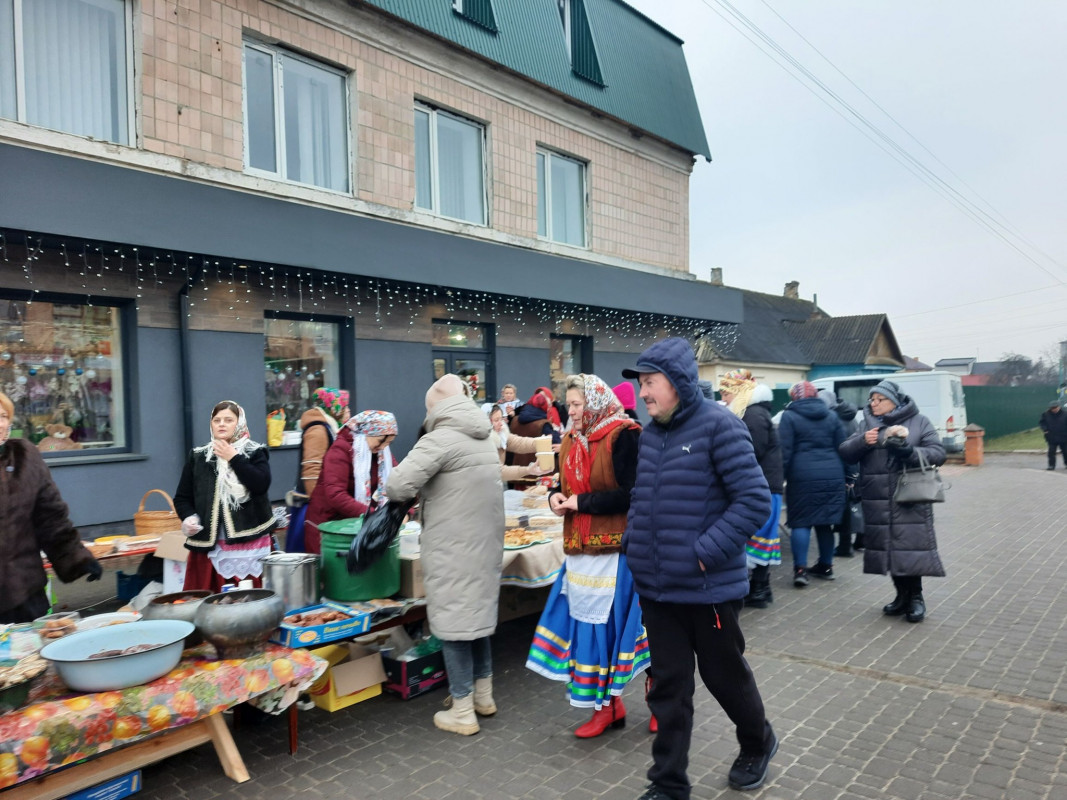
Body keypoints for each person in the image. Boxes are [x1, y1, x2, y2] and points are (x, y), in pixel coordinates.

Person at [620, 338, 778, 798]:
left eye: (650, 383)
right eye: (642, 384)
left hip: (708, 587)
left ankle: (758, 741)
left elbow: (753, 501)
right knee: (667, 687)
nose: (643, 393)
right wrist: (633, 542)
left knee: (724, 677)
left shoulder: (719, 426)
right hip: (658, 588)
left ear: (679, 383)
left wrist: (703, 552)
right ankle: (668, 784)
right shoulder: (650, 434)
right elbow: (641, 499)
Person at [526, 374, 650, 737]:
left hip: (618, 551)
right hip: (580, 550)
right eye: (571, 404)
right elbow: (561, 486)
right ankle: (607, 707)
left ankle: (659, 697)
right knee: (592, 635)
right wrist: (555, 500)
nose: (572, 410)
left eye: (578, 404)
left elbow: (634, 493)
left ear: (594, 402)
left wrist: (583, 502)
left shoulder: (624, 435)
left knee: (630, 629)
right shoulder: (569, 440)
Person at [386, 374, 504, 736]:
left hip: (453, 546)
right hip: (485, 545)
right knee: (477, 622)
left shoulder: (440, 439)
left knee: (454, 626)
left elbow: (396, 485)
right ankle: (483, 697)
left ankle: (463, 709)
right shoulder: (485, 436)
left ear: (435, 407)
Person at [839, 380, 946, 623]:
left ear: (894, 401)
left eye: (879, 399)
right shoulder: (867, 424)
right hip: (877, 497)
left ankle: (916, 598)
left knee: (909, 549)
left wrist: (909, 452)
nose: (873, 403)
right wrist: (862, 441)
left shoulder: (919, 421)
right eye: (872, 399)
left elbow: (938, 453)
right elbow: (845, 451)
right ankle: (901, 597)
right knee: (888, 549)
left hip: (910, 496)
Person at [0, 392, 102, 623]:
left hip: (24, 592)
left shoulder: (24, 457)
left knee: (32, 657)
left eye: (4, 416)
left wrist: (78, 559)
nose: (0, 423)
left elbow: (51, 517)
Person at [175, 401, 274, 592]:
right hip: (209, 546)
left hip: (248, 542)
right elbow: (182, 497)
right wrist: (188, 517)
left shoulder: (254, 451)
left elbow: (260, 484)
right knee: (207, 602)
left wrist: (234, 457)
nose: (221, 424)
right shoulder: (198, 457)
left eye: (228, 420)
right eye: (216, 420)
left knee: (247, 604)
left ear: (239, 423)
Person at [717, 372, 783, 609]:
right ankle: (760, 590)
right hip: (765, 486)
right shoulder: (754, 412)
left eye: (727, 392)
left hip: (761, 488)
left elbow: (750, 452)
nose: (724, 398)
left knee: (754, 538)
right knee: (760, 539)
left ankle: (757, 590)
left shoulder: (752, 415)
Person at [779, 381, 846, 587]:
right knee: (825, 523)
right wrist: (849, 476)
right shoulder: (832, 416)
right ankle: (826, 566)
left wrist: (779, 476)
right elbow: (843, 447)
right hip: (832, 474)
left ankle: (800, 570)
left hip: (802, 476)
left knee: (801, 522)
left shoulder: (789, 417)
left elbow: (784, 451)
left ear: (794, 397)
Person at [304, 410, 397, 555]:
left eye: (389, 443)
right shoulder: (341, 449)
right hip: (329, 528)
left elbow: (398, 480)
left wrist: (405, 512)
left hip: (355, 526)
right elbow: (335, 494)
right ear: (367, 433)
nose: (383, 447)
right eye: (381, 441)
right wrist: (374, 516)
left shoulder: (381, 453)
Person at [285, 387, 350, 552]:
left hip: (318, 503)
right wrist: (320, 506)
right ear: (334, 408)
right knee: (308, 554)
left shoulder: (329, 427)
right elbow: (312, 470)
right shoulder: (318, 430)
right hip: (311, 505)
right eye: (344, 406)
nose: (348, 410)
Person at [817, 389, 863, 556]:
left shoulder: (833, 418)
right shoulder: (850, 414)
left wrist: (848, 474)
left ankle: (845, 547)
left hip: (844, 468)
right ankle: (859, 541)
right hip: (856, 464)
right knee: (855, 505)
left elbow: (841, 448)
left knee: (846, 510)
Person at [506, 390, 562, 475]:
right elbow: (555, 445)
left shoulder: (514, 420)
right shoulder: (543, 424)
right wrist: (556, 433)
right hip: (537, 475)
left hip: (517, 473)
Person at [1039, 400, 1067, 470]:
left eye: (1055, 407)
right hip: (1052, 436)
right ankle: (1051, 465)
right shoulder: (1045, 414)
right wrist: (1045, 430)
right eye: (1052, 408)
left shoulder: (1065, 414)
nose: (1054, 409)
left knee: (1065, 451)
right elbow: (1042, 423)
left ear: (1059, 407)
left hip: (1064, 436)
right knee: (1051, 452)